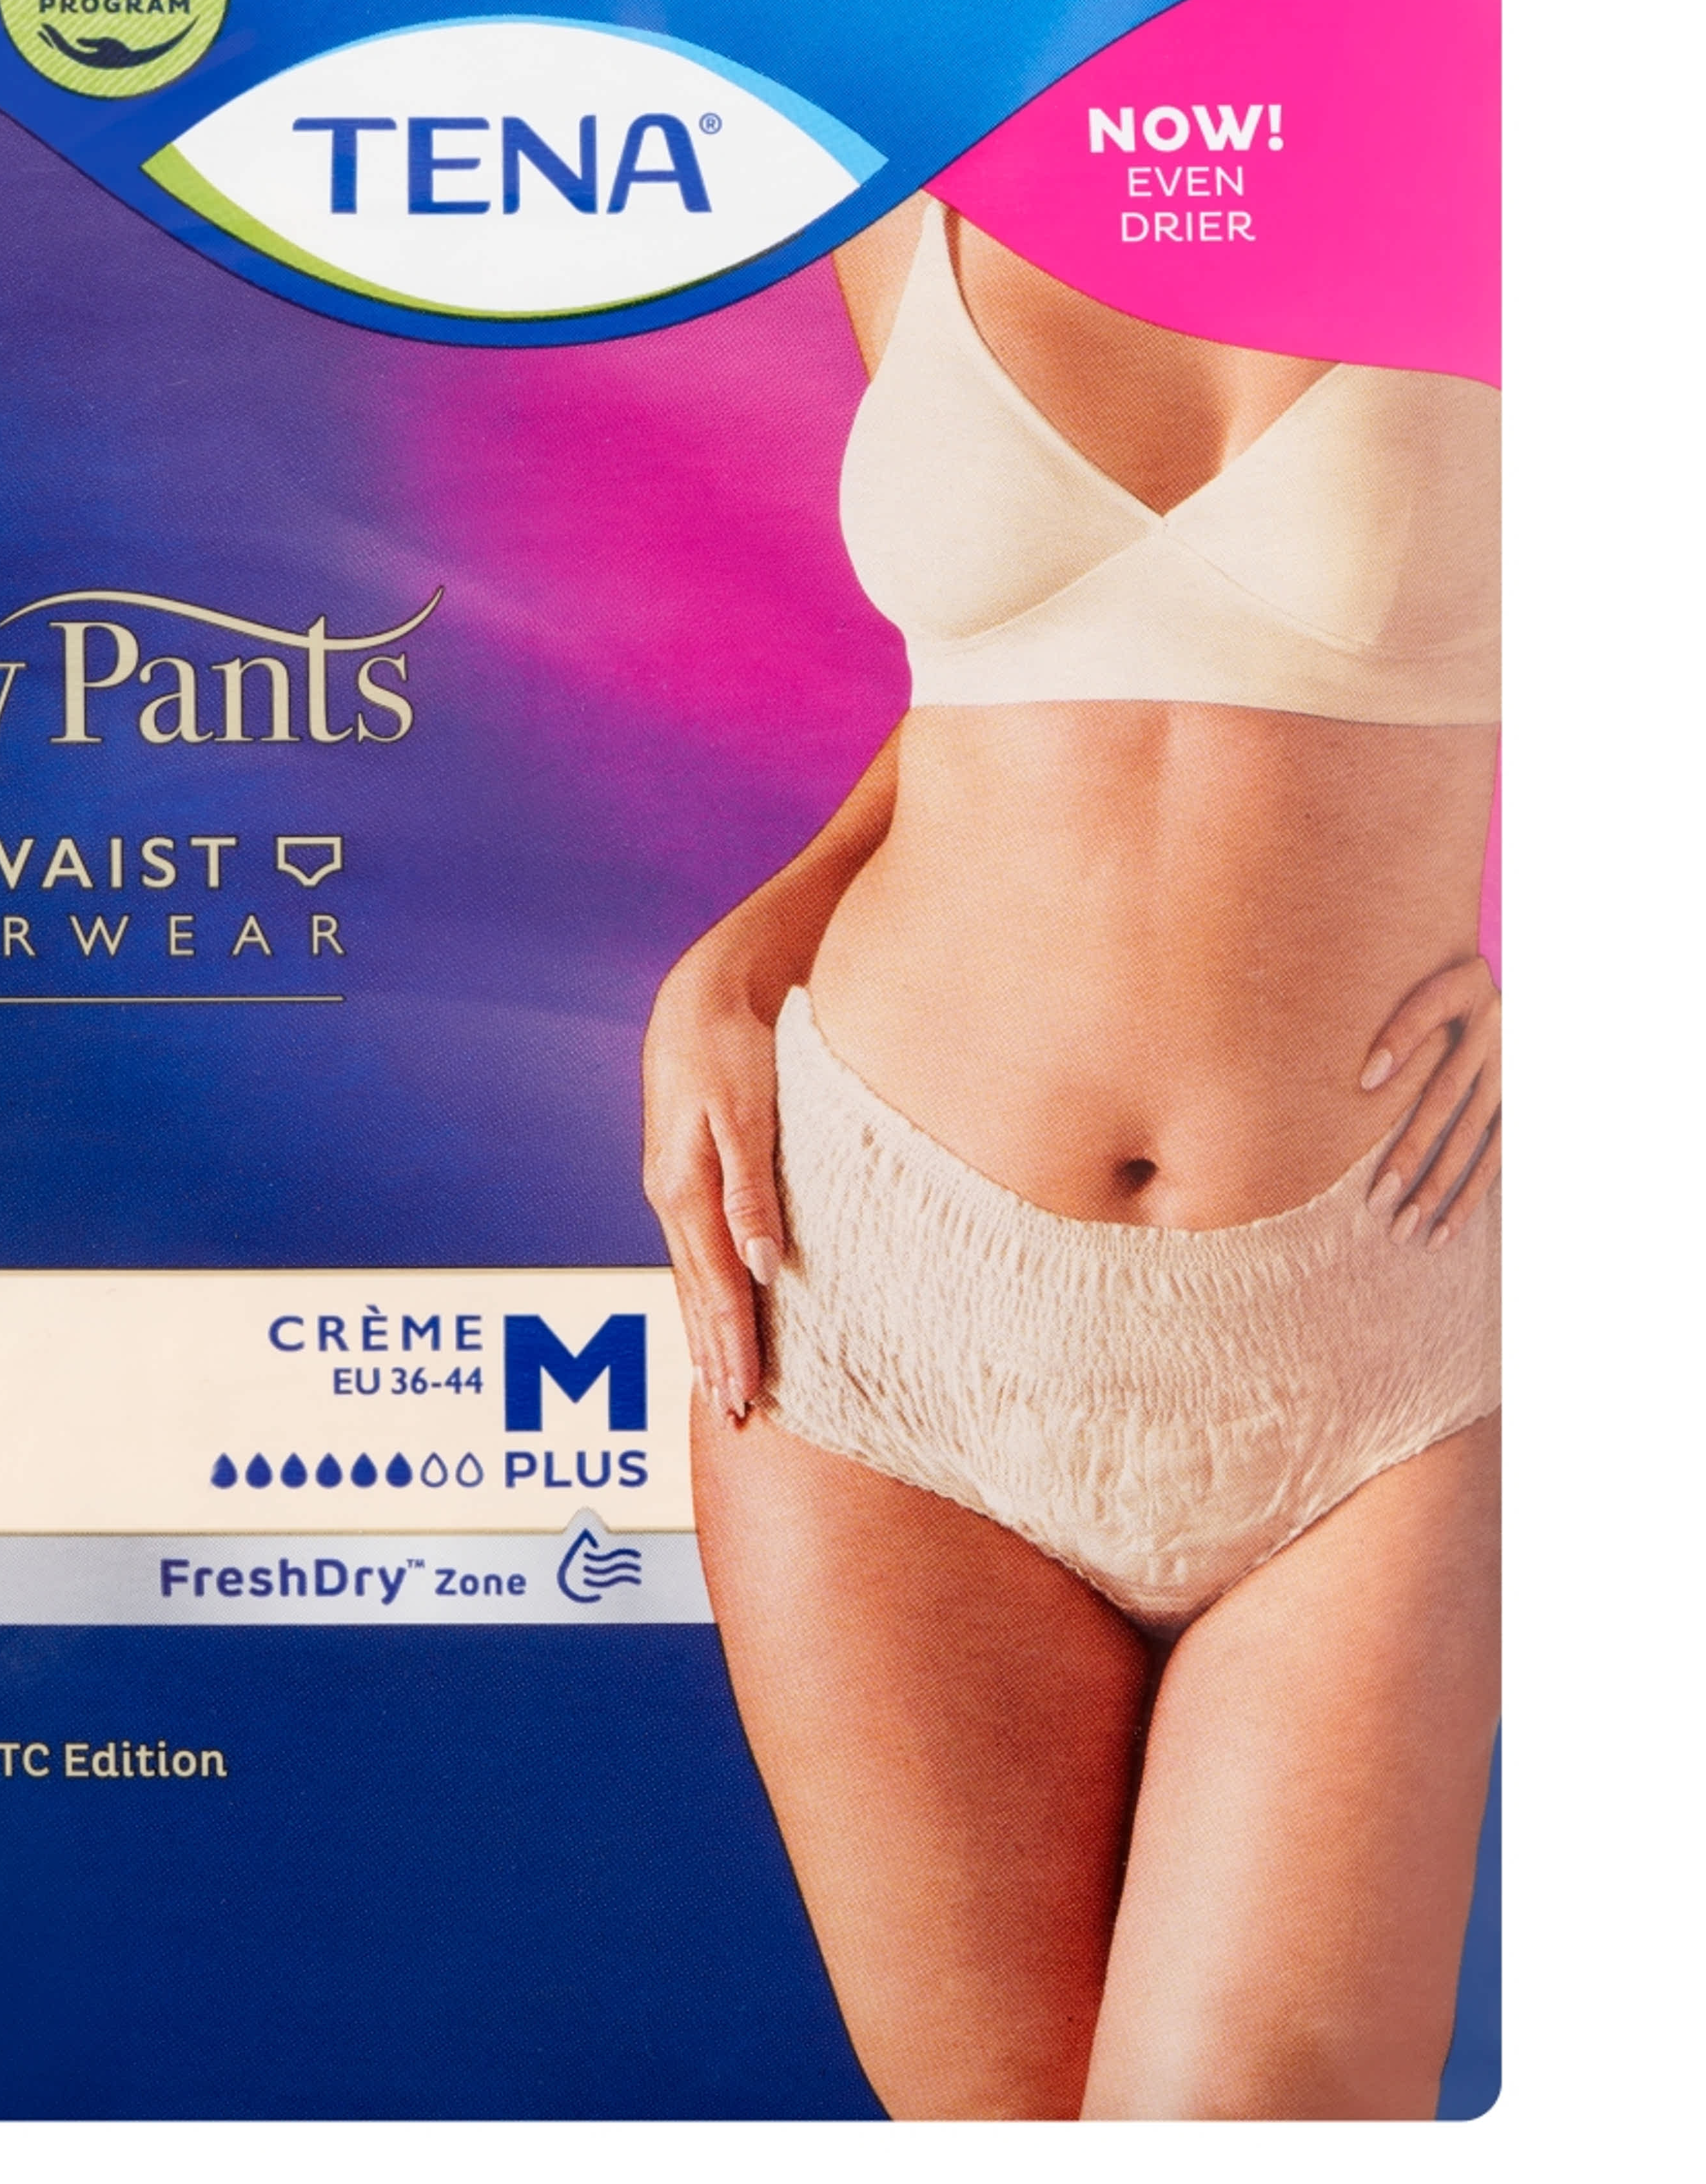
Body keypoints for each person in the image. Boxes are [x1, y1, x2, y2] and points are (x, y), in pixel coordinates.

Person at [643, 194, 1501, 2120]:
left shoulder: (1544, 135)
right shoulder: (926, 157)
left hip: (1394, 1314)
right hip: (872, 1297)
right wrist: (743, 953)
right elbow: (1007, 669)